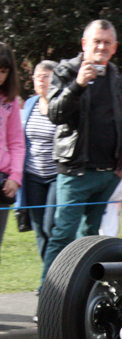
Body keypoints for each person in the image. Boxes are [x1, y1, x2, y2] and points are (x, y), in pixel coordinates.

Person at [42, 20, 122, 283]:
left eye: (107, 42)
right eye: (96, 41)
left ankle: (77, 294)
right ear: (85, 44)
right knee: (63, 235)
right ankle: (49, 294)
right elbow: (56, 114)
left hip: (108, 173)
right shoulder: (66, 70)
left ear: (114, 47)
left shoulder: (115, 75)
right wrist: (77, 85)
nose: (101, 47)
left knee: (90, 237)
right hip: (75, 172)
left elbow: (121, 119)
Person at [20, 60, 57, 261]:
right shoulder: (30, 104)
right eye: (38, 76)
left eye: (47, 76)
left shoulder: (61, 104)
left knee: (50, 225)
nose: (41, 80)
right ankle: (48, 275)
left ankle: (58, 275)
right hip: (32, 175)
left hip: (55, 176)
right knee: (38, 229)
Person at [0, 42, 25, 264]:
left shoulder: (10, 101)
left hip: (3, 181)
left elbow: (17, 141)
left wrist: (15, 177)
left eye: (3, 71)